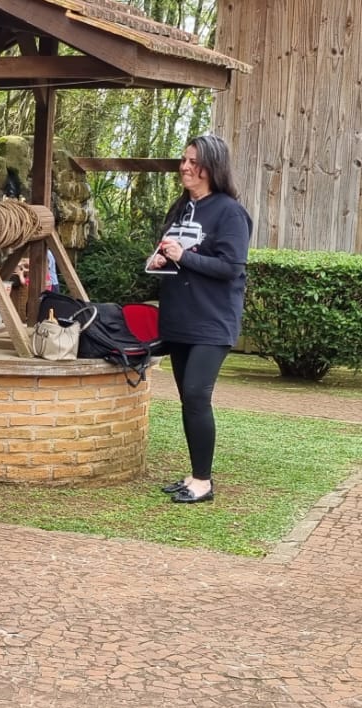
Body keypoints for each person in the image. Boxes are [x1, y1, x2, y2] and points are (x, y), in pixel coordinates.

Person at [146, 133, 252, 505]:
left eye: (194, 161)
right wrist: (159, 259)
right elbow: (172, 252)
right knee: (187, 399)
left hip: (212, 321)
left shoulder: (229, 212)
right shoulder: (181, 208)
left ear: (212, 167)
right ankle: (193, 475)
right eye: (184, 160)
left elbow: (230, 267)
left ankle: (203, 482)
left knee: (196, 394)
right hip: (180, 319)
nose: (185, 167)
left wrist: (182, 256)